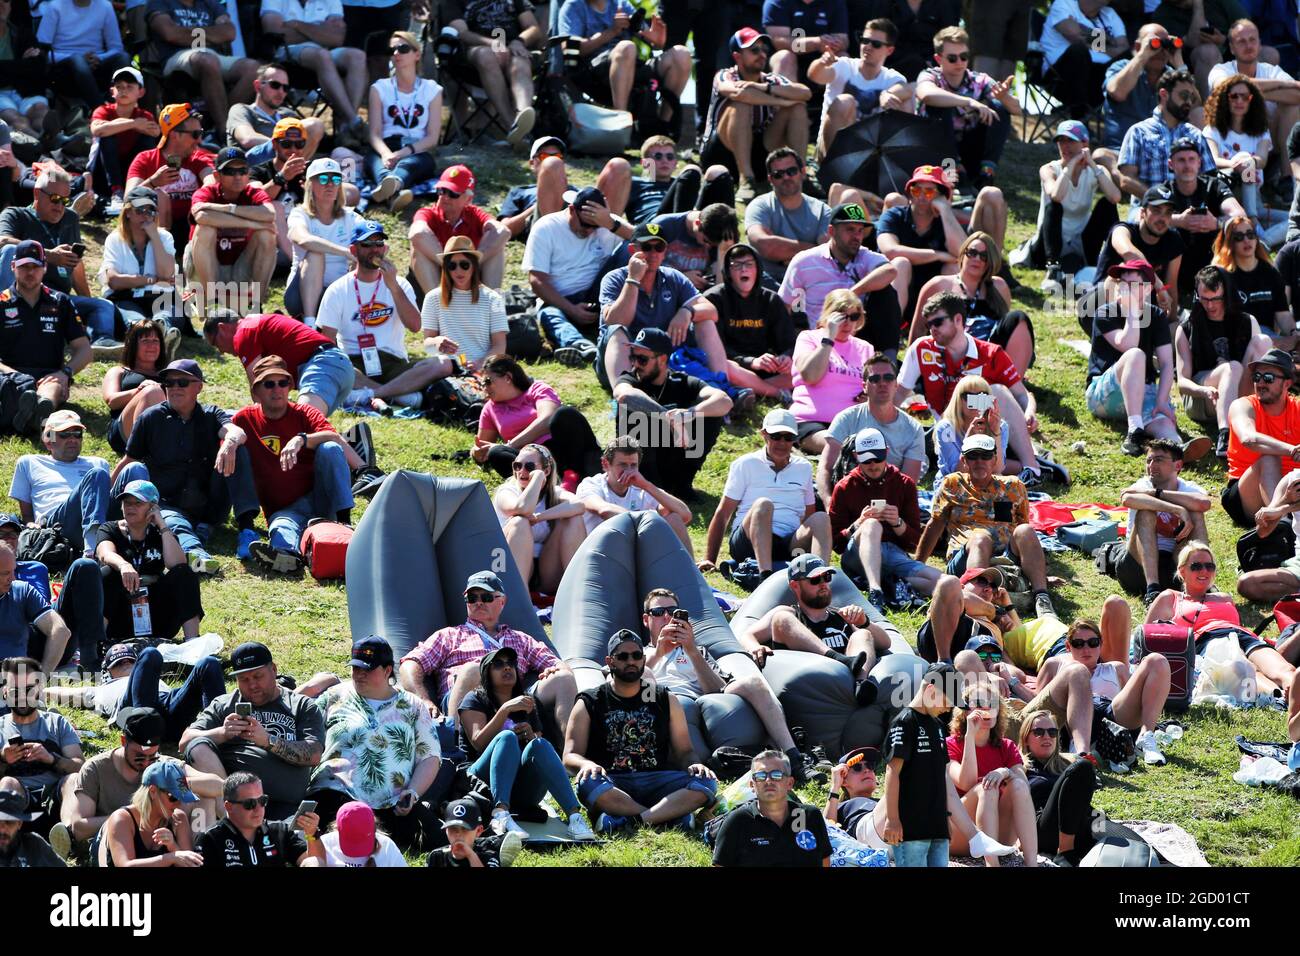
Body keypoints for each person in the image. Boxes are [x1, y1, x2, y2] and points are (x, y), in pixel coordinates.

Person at [639, 587, 825, 783]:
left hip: (702, 697)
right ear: (646, 620)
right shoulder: (638, 655)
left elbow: (716, 689)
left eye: (673, 612)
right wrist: (659, 652)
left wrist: (692, 651)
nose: (667, 618)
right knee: (646, 673)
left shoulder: (696, 649)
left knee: (753, 682)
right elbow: (625, 683)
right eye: (659, 613)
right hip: (667, 702)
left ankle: (794, 757)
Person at [563, 628, 719, 833]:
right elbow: (569, 755)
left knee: (706, 782)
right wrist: (586, 764)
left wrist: (695, 765)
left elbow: (685, 751)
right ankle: (668, 816)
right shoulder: (591, 701)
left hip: (659, 780)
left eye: (636, 655)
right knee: (587, 784)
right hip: (613, 783)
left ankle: (632, 820)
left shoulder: (665, 698)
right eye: (623, 656)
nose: (631, 661)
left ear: (643, 659)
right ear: (610, 661)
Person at [113, 358, 259, 574]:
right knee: (171, 521)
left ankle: (247, 530)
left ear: (198, 387)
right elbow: (129, 461)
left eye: (182, 382)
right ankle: (196, 554)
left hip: (209, 502)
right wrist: (107, 494)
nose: (174, 388)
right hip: (168, 503)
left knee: (238, 448)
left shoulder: (211, 415)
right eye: (169, 383)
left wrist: (229, 443)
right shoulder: (150, 418)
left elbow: (238, 433)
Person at [306, 636, 447, 851]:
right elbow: (298, 721)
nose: (359, 674)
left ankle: (491, 847)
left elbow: (430, 756)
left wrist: (413, 793)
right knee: (349, 837)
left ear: (388, 670)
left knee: (438, 842)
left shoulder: (413, 705)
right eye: (355, 668)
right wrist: (309, 687)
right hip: (337, 793)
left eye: (367, 669)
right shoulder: (334, 697)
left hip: (393, 801)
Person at [1148, 541, 1298, 737]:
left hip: (1242, 635)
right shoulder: (1171, 598)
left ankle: (1292, 689)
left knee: (1286, 670)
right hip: (1207, 639)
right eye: (1196, 566)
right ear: (1182, 570)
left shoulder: (1224, 597)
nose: (1204, 570)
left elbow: (1237, 629)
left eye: (1209, 566)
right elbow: (1147, 636)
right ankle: (1279, 698)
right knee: (1244, 666)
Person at [398, 570, 579, 728]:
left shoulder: (521, 639)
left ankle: (570, 754)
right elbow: (409, 665)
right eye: (472, 598)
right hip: (468, 700)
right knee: (474, 669)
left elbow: (558, 664)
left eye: (486, 597)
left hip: (513, 700)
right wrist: (423, 700)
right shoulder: (449, 635)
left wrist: (557, 670)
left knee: (563, 678)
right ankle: (454, 744)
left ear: (502, 602)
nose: (478, 603)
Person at [232, 355, 361, 573]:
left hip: (321, 499)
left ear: (290, 387)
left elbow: (335, 437)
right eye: (269, 384)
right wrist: (229, 443)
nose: (277, 389)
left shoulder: (304, 413)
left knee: (329, 448)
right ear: (256, 391)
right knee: (280, 530)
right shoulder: (244, 419)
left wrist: (302, 439)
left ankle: (344, 524)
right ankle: (288, 557)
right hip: (282, 510)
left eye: (283, 383)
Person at [898, 292, 1041, 486]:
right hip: (947, 429)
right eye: (928, 324)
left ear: (958, 319)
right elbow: (899, 393)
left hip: (988, 429)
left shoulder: (990, 353)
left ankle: (1032, 469)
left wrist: (1029, 412)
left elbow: (1022, 393)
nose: (932, 329)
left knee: (996, 391)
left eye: (938, 322)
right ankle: (1030, 467)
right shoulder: (922, 348)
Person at [457, 645, 597, 840]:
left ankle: (575, 817)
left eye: (511, 664)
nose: (507, 668)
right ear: (486, 673)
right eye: (498, 664)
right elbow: (478, 743)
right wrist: (504, 710)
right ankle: (500, 814)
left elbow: (538, 751)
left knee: (540, 744)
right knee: (506, 737)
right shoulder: (474, 699)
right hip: (482, 785)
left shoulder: (528, 702)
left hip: (522, 790)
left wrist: (531, 735)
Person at [180, 641, 325, 818]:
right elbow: (185, 742)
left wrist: (268, 740)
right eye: (244, 679)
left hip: (284, 806)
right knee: (198, 746)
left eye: (258, 676)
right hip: (234, 800)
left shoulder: (301, 706)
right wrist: (222, 733)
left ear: (274, 670)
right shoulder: (224, 705)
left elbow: (314, 754)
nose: (252, 685)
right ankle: (234, 823)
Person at [917, 434, 1056, 618]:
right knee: (981, 537)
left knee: (1026, 531)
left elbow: (1024, 535)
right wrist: (917, 566)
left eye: (985, 456)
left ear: (995, 460)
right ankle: (978, 602)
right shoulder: (952, 484)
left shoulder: (1013, 487)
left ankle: (1042, 598)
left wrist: (1039, 574)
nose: (979, 461)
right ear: (964, 460)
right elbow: (935, 525)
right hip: (965, 557)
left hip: (1004, 558)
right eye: (973, 456)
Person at [316, 220, 453, 406]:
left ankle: (373, 394)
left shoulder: (400, 284)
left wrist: (393, 287)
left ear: (385, 248)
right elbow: (327, 342)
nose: (375, 250)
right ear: (354, 250)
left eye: (379, 244)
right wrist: (342, 367)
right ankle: (397, 394)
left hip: (393, 362)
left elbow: (415, 326)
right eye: (367, 244)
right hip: (355, 361)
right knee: (337, 366)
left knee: (443, 364)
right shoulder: (338, 289)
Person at [54, 706, 221, 856]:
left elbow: (219, 786)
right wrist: (133, 818)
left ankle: (202, 855)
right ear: (123, 741)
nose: (147, 763)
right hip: (116, 842)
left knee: (205, 797)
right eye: (139, 756)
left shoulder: (163, 766)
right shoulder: (96, 768)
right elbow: (80, 827)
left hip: (163, 842)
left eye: (152, 756)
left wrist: (174, 785)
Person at [700, 409, 831, 584]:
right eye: (776, 436)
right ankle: (764, 576)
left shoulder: (804, 467)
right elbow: (723, 513)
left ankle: (820, 577)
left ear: (795, 439)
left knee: (821, 518)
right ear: (764, 434)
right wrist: (710, 558)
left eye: (788, 437)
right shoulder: (744, 464)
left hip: (787, 544)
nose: (782, 442)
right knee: (763, 504)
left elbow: (809, 514)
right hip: (747, 542)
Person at [598, 219, 727, 391]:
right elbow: (616, 321)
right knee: (617, 330)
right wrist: (633, 280)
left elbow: (712, 311)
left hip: (662, 359)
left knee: (705, 321)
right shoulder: (614, 279)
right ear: (632, 250)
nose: (653, 253)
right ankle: (627, 395)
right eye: (646, 247)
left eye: (658, 247)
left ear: (664, 252)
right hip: (627, 359)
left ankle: (721, 386)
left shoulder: (673, 277)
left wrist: (687, 311)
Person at [0, 168, 120, 347]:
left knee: (103, 306)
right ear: (36, 193)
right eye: (55, 199)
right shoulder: (15, 215)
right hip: (22, 298)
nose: (60, 207)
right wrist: (48, 255)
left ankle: (102, 343)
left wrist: (87, 302)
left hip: (55, 300)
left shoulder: (70, 218)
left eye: (65, 201)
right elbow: (2, 242)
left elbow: (75, 265)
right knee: (10, 250)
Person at [738, 554, 889, 694]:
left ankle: (861, 684)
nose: (823, 584)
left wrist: (864, 621)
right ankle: (837, 658)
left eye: (827, 577)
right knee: (781, 618)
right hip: (807, 686)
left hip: (844, 687)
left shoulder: (841, 615)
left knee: (863, 633)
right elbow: (747, 636)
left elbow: (885, 642)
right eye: (815, 580)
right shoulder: (789, 614)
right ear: (795, 586)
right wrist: (756, 647)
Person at [612, 327, 731, 500]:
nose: (635, 364)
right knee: (638, 410)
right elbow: (625, 396)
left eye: (642, 359)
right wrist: (669, 418)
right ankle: (651, 489)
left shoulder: (682, 382)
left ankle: (682, 485)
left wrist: (688, 414)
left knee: (710, 414)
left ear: (662, 359)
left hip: (674, 461)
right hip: (642, 468)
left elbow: (724, 401)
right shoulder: (630, 379)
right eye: (633, 357)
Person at [1037, 615, 1173, 765]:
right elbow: (1040, 703)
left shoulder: (1116, 668)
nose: (1086, 649)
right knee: (1077, 674)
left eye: (1093, 643)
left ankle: (1146, 737)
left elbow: (1136, 700)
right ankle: (1080, 750)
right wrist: (1014, 682)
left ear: (1101, 645)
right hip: (1073, 719)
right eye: (1078, 644)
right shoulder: (1055, 665)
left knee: (1157, 660)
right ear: (1068, 646)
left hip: (1112, 715)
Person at [829, 427, 940, 610]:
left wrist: (898, 523)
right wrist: (857, 525)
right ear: (856, 456)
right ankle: (876, 590)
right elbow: (836, 543)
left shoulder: (903, 484)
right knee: (872, 525)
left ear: (887, 452)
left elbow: (914, 544)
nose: (873, 465)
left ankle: (892, 585)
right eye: (866, 461)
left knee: (940, 580)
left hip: (892, 553)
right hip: (856, 553)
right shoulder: (845, 487)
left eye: (877, 459)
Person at [700, 28, 811, 203]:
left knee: (797, 108)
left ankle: (800, 175)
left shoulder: (770, 80)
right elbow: (739, 93)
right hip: (720, 154)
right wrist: (780, 102)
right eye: (754, 50)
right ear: (737, 56)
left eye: (764, 50)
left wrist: (765, 88)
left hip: (760, 152)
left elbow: (805, 93)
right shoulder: (725, 75)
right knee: (741, 104)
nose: (762, 55)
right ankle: (746, 179)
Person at [1086, 260, 1185, 456]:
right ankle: (1134, 430)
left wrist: (1162, 400)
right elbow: (1128, 345)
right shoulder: (1106, 312)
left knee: (1164, 423)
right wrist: (1132, 310)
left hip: (1143, 392)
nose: (1124, 288)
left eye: (1131, 284)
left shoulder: (1155, 315)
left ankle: (1178, 449)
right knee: (1135, 355)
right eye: (1122, 283)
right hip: (1104, 394)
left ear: (1147, 289)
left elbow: (1166, 364)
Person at [523, 185, 630, 367]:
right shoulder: (546, 227)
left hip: (599, 293)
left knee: (631, 249)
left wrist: (611, 224)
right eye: (586, 225)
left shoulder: (608, 223)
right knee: (549, 314)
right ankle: (579, 345)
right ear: (572, 209)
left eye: (595, 226)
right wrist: (572, 309)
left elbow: (645, 240)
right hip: (560, 299)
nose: (590, 231)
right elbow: (537, 281)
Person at [1175, 265, 1271, 457]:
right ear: (1197, 295)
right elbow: (1183, 383)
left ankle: (1264, 414)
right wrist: (1203, 390)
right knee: (1231, 367)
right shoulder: (1186, 328)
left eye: (1216, 299)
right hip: (1203, 398)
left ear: (1227, 295)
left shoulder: (1246, 321)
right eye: (1204, 299)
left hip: (1238, 391)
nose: (1210, 305)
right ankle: (1225, 435)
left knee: (1263, 341)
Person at [908, 231, 1035, 378]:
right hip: (949, 360)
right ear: (963, 254)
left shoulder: (999, 287)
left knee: (1018, 319)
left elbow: (1007, 333)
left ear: (991, 261)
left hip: (988, 358)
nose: (977, 259)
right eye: (972, 252)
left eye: (984, 256)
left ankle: (1013, 384)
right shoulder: (939, 285)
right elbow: (917, 330)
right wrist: (911, 371)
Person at [778, 201, 898, 355]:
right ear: (831, 231)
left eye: (860, 231)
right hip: (819, 337)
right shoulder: (804, 262)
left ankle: (888, 359)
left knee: (886, 292)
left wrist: (850, 294)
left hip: (857, 336)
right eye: (850, 229)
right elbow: (785, 306)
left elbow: (890, 271)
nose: (857, 236)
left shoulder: (864, 255)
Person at [95, 478, 204, 645]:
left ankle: (192, 642)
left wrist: (162, 525)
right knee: (108, 573)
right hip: (119, 614)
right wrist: (124, 565)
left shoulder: (162, 533)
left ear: (153, 507)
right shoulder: (110, 528)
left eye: (138, 503)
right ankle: (97, 643)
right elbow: (104, 553)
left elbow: (177, 564)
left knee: (185, 573)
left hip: (156, 615)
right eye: (126, 502)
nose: (130, 507)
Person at [1019, 122, 1124, 291]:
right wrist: (1070, 167)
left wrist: (1092, 165)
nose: (1065, 146)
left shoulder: (1096, 171)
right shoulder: (1049, 169)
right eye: (1061, 141)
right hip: (1048, 244)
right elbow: (1056, 195)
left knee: (1107, 205)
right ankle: (1052, 269)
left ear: (1084, 144)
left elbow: (1115, 197)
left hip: (1079, 244)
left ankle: (1114, 261)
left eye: (1071, 141)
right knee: (1055, 205)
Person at [945, 680, 1038, 866]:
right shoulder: (950, 744)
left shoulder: (1006, 746)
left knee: (1017, 785)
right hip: (961, 834)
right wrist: (970, 735)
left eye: (992, 704)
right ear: (965, 711)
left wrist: (1003, 772)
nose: (986, 708)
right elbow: (965, 782)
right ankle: (992, 864)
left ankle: (1032, 863)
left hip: (1000, 835)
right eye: (978, 703)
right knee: (986, 788)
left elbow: (1023, 788)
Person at [915, 27, 1021, 188]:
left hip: (969, 150)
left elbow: (1016, 110)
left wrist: (1004, 97)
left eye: (963, 57)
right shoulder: (930, 76)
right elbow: (926, 95)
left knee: (999, 107)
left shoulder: (979, 80)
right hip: (938, 152)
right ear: (938, 59)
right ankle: (953, 173)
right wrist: (968, 101)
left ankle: (986, 173)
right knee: (939, 105)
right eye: (952, 58)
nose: (959, 62)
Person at [204, 310, 360, 417]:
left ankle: (354, 445)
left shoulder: (243, 332)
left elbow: (259, 388)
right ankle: (352, 443)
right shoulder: (256, 323)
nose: (221, 351)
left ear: (222, 328)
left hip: (323, 364)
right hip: (337, 366)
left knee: (301, 424)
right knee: (309, 432)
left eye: (215, 343)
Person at [881, 661, 963, 866]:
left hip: (936, 826)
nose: (948, 708)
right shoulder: (905, 722)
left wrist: (945, 817)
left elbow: (938, 777)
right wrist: (892, 819)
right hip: (911, 828)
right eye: (947, 700)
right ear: (931, 689)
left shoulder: (937, 726)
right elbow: (893, 772)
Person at [473, 354, 603, 481]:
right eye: (482, 383)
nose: (484, 387)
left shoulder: (537, 389)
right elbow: (481, 446)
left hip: (563, 450)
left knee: (565, 414)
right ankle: (549, 485)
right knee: (497, 453)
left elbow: (547, 419)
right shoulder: (490, 408)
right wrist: (477, 453)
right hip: (533, 462)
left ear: (508, 377)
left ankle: (582, 474)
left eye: (488, 381)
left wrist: (512, 444)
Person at [817, 354, 927, 502]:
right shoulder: (846, 419)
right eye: (875, 379)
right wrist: (828, 502)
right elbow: (825, 468)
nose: (882, 383)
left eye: (888, 378)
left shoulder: (914, 429)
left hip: (890, 500)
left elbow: (907, 484)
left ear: (896, 384)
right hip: (847, 498)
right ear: (864, 386)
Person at [556, 0, 691, 119]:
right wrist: (611, 32)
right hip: (594, 70)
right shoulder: (573, 6)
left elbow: (645, 34)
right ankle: (621, 123)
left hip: (629, 64)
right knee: (626, 47)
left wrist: (658, 41)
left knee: (681, 54)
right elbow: (569, 49)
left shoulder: (620, 4)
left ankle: (664, 127)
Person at [1116, 438, 1211, 601]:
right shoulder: (1143, 484)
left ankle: (1203, 580)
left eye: (1158, 460)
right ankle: (1152, 591)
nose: (1151, 465)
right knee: (1146, 512)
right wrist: (1176, 509)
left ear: (1178, 465)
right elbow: (1127, 499)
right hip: (1136, 567)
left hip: (1174, 567)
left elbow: (1204, 503)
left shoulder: (1188, 488)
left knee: (1196, 513)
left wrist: (1158, 493)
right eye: (1149, 460)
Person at [1149, 138, 1248, 293]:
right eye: (1181, 160)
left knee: (1240, 232)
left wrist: (1216, 223)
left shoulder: (1214, 185)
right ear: (1170, 164)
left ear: (1199, 163)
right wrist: (1178, 221)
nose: (1187, 165)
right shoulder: (1163, 191)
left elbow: (1240, 216)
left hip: (1211, 258)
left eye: (1191, 159)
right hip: (1175, 262)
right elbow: (1142, 221)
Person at [186, 146, 277, 314]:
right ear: (216, 176)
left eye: (242, 170)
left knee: (267, 234)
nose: (238, 177)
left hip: (238, 269)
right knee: (205, 230)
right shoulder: (206, 192)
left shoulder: (253, 192)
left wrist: (228, 209)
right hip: (207, 269)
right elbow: (202, 217)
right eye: (229, 171)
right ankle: (212, 304)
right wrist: (252, 223)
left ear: (248, 174)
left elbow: (270, 215)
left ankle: (256, 305)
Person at [146, 0, 258, 135]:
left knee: (254, 69)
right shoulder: (159, 3)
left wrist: (187, 34)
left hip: (212, 55)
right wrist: (212, 34)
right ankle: (225, 131)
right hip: (175, 57)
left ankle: (222, 123)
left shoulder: (210, 3)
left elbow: (229, 32)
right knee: (207, 60)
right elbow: (170, 34)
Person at [809, 19, 912, 162]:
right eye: (864, 40)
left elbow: (908, 89)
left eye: (875, 44)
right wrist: (821, 63)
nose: (867, 47)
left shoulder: (892, 77)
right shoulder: (843, 65)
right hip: (833, 148)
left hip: (870, 149)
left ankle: (897, 165)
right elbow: (815, 76)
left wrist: (888, 94)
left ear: (889, 50)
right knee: (845, 101)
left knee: (904, 103)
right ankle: (831, 167)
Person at [259, 0, 368, 137]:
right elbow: (273, 32)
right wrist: (321, 31)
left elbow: (337, 38)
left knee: (357, 56)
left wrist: (297, 25)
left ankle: (345, 125)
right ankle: (353, 120)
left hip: (323, 50)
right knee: (322, 56)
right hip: (287, 54)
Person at [705, 241, 798, 401]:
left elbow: (789, 342)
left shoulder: (771, 300)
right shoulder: (714, 299)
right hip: (733, 366)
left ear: (758, 269)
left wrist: (785, 357)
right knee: (726, 368)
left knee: (801, 369)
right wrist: (751, 362)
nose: (744, 269)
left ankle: (752, 389)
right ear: (728, 272)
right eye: (737, 265)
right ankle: (775, 392)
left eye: (749, 264)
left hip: (767, 367)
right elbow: (714, 349)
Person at [10, 409, 110, 555]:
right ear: (49, 440)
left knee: (134, 469)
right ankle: (92, 550)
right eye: (64, 434)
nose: (72, 439)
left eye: (77, 434)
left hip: (100, 519)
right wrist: (30, 523)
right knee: (96, 474)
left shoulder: (98, 463)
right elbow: (27, 513)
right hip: (58, 526)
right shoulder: (29, 463)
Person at [443, 0, 542, 147]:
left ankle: (522, 116)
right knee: (486, 56)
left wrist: (519, 41)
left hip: (513, 48)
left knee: (521, 61)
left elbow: (533, 28)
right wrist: (492, 44)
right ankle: (512, 126)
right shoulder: (453, 3)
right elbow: (462, 33)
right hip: (474, 53)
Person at [0, 657, 83, 829]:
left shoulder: (57, 723)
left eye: (29, 689)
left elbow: (81, 768)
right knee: (8, 783)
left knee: (73, 779)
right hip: (17, 802)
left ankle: (69, 832)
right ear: (5, 693)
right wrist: (3, 759)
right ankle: (8, 836)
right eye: (16, 691)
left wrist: (52, 759)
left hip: (56, 800)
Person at [492, 442, 587, 595]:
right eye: (517, 465)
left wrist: (539, 517)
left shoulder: (553, 494)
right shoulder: (507, 491)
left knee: (573, 519)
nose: (521, 471)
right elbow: (523, 509)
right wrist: (537, 478)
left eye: (529, 466)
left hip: (545, 571)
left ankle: (578, 593)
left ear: (547, 470)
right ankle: (519, 601)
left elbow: (579, 506)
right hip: (506, 569)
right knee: (520, 522)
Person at [787, 291, 875, 454]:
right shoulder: (809, 337)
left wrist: (869, 396)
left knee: (866, 446)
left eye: (854, 317)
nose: (848, 323)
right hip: (811, 421)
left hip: (852, 423)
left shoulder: (865, 348)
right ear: (828, 315)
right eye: (841, 316)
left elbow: (875, 388)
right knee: (842, 446)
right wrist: (828, 339)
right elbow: (811, 376)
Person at [711, 749, 832, 866]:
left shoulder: (810, 816)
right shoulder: (737, 821)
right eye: (761, 776)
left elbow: (825, 860)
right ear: (752, 785)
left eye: (776, 775)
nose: (768, 780)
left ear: (789, 783)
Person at [366, 31, 443, 213]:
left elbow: (432, 138)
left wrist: (402, 153)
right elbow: (374, 133)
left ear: (417, 54)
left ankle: (390, 188)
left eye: (403, 48)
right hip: (385, 146)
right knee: (374, 160)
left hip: (416, 148)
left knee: (412, 163)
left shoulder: (432, 89)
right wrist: (386, 154)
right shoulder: (379, 88)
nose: (396, 54)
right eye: (392, 50)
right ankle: (393, 191)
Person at [1224, 347, 1300, 526]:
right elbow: (1248, 438)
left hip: (1291, 485)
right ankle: (1282, 526)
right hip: (1246, 493)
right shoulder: (1243, 405)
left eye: (1268, 378)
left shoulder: (1297, 409)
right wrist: (1291, 450)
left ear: (1287, 383)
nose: (1260, 383)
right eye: (1257, 377)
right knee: (1269, 459)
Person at [1208, 19, 1300, 166]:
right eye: (1241, 42)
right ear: (1231, 48)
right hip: (1228, 146)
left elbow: (1298, 95)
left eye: (1252, 40)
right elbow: (1225, 87)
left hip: (1268, 140)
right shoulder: (1221, 70)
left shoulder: (1271, 71)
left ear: (1259, 44)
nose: (1248, 45)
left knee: (1292, 107)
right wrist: (1282, 84)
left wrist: (1249, 93)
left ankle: (1287, 179)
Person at [577, 437, 694, 552]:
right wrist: (647, 524)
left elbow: (685, 515)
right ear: (605, 464)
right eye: (622, 465)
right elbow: (604, 510)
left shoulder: (641, 487)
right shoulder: (591, 485)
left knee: (674, 518)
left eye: (633, 465)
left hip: (636, 552)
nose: (629, 471)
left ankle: (690, 570)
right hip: (602, 551)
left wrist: (647, 486)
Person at [875, 164, 963, 317]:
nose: (921, 196)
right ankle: (890, 331)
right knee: (900, 263)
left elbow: (962, 254)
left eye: (929, 192)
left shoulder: (945, 222)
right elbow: (890, 250)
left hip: (929, 296)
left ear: (940, 196)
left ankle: (942, 329)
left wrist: (945, 210)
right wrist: (938, 254)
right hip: (892, 291)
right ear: (909, 193)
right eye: (916, 190)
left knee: (953, 268)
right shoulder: (895, 215)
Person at [282, 158, 360, 326]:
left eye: (336, 179)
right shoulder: (299, 214)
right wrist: (344, 251)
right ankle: (309, 323)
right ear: (310, 184)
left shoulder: (351, 216)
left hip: (338, 294)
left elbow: (376, 239)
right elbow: (302, 238)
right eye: (324, 179)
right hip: (300, 296)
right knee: (316, 254)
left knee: (362, 253)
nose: (330, 184)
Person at [598, 134, 737, 228]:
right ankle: (678, 238)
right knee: (691, 170)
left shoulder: (683, 183)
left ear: (675, 163)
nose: (664, 160)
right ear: (645, 163)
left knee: (718, 171)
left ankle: (729, 240)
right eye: (658, 156)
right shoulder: (634, 183)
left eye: (669, 156)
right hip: (655, 226)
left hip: (691, 222)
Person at [410, 165, 510, 294]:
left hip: (469, 275)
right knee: (417, 247)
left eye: (453, 193)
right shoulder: (428, 213)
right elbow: (416, 233)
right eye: (442, 191)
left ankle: (489, 306)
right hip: (436, 278)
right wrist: (449, 264)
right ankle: (439, 307)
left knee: (497, 246)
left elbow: (503, 232)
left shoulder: (475, 214)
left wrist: (472, 262)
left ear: (468, 199)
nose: (445, 197)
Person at [125, 103, 217, 243]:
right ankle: (161, 254)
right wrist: (153, 182)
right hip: (155, 229)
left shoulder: (199, 158)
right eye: (195, 134)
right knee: (160, 196)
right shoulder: (145, 159)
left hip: (192, 225)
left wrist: (206, 191)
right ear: (174, 134)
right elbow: (128, 199)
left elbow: (211, 181)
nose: (199, 140)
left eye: (201, 133)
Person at [1117, 70, 1216, 198]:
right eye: (1184, 95)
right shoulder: (1138, 132)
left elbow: (1210, 181)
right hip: (1147, 211)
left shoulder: (1196, 135)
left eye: (1191, 97)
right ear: (1164, 94)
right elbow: (1126, 179)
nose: (1189, 102)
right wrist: (1160, 199)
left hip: (1188, 210)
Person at [1018, 710, 1098, 865]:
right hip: (1042, 829)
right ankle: (1065, 852)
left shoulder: (1067, 763)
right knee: (1082, 766)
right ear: (1026, 738)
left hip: (1075, 826)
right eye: (1039, 732)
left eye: (1052, 732)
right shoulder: (1019, 766)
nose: (1047, 736)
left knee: (1125, 841)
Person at [196, 771, 325, 867]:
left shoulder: (279, 831)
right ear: (229, 806)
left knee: (315, 862)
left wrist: (311, 833)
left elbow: (312, 860)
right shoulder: (210, 838)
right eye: (249, 804)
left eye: (262, 801)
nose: (258, 809)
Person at [743, 148, 831, 287]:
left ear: (802, 172)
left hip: (808, 282)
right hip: (766, 282)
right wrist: (811, 249)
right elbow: (765, 245)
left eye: (791, 171)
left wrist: (786, 252)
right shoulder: (759, 205)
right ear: (770, 179)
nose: (786, 177)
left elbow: (826, 255)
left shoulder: (822, 210)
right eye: (778, 174)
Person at [419, 236, 507, 372]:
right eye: (452, 266)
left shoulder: (494, 298)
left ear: (474, 266)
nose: (458, 271)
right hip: (446, 368)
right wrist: (436, 342)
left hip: (484, 369)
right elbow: (427, 343)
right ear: (446, 269)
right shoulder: (432, 297)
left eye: (464, 265)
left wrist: (480, 364)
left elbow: (500, 345)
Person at [1092, 190, 1185, 315]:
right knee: (1120, 281)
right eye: (1157, 211)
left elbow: (1171, 285)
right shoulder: (1122, 230)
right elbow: (1130, 254)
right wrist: (1159, 285)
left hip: (1142, 306)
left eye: (1168, 213)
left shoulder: (1173, 240)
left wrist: (1172, 320)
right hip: (1100, 303)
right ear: (1142, 213)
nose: (1162, 218)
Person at [98, 187, 179, 330]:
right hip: (126, 298)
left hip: (159, 297)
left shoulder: (164, 237)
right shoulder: (115, 239)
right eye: (140, 210)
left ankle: (162, 330)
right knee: (136, 322)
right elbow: (114, 281)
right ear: (128, 212)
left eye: (151, 211)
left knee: (167, 314)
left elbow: (166, 274)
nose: (146, 215)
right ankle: (144, 332)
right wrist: (153, 280)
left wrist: (154, 237)